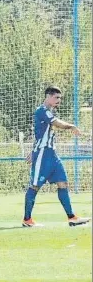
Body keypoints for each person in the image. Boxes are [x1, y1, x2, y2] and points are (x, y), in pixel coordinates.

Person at [23, 86, 91, 227]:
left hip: (52, 155)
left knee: (63, 183)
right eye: (56, 97)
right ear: (48, 96)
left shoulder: (49, 112)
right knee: (35, 186)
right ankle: (27, 220)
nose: (59, 100)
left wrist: (33, 150)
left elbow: (41, 135)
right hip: (43, 155)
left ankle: (71, 217)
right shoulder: (41, 111)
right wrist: (72, 126)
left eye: (60, 98)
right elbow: (57, 123)